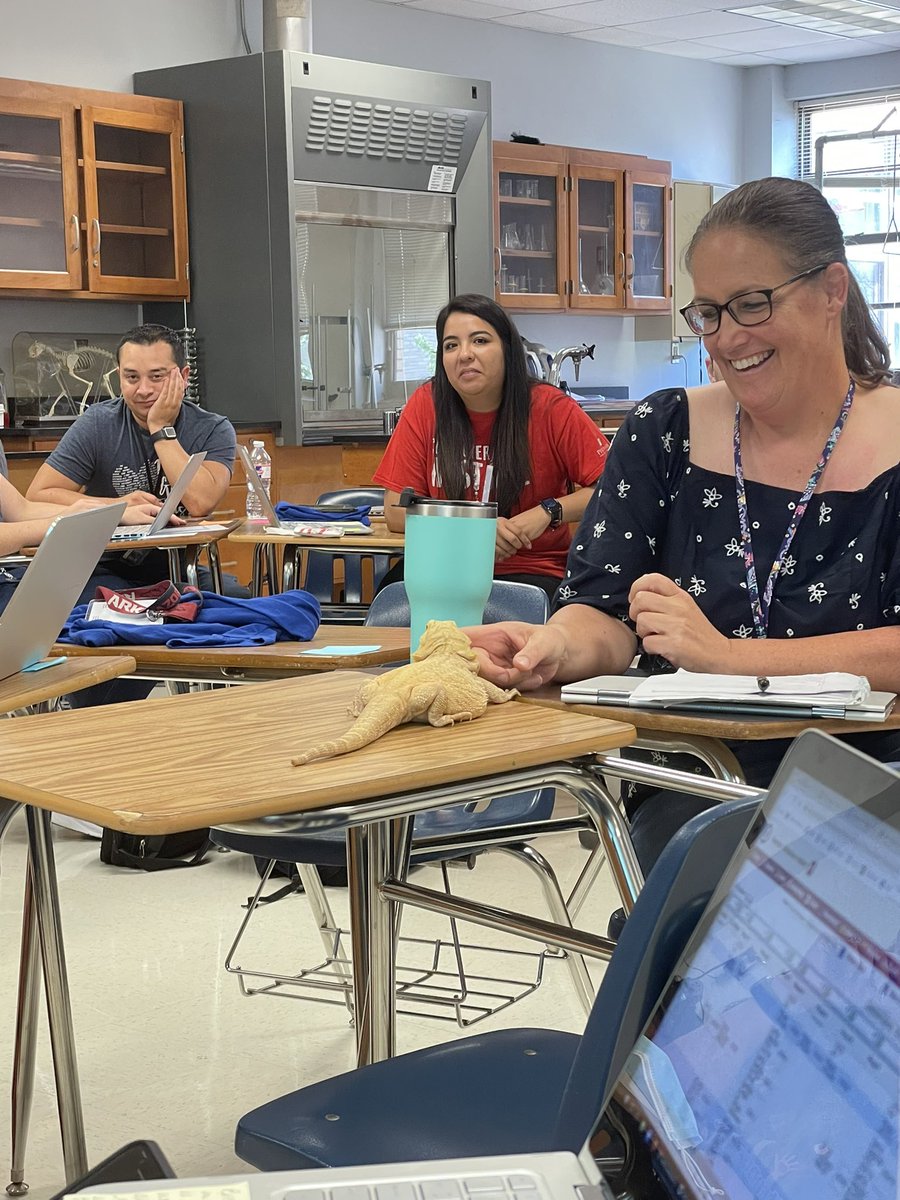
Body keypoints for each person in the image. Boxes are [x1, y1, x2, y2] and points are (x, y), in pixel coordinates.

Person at [468, 176, 900, 882]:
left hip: (872, 782)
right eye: (708, 312)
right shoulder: (664, 434)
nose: (728, 339)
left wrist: (727, 656)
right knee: (698, 902)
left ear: (832, 291)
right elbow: (607, 614)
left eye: (753, 304)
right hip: (700, 782)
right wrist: (554, 644)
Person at [373, 294, 610, 603]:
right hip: (443, 567)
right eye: (451, 345)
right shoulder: (426, 404)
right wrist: (475, 531)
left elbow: (612, 489)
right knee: (389, 613)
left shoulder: (551, 408)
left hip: (532, 572)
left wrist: (547, 512)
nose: (464, 354)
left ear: (508, 350)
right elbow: (394, 511)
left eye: (480, 340)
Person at [26, 322, 239, 598]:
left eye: (157, 376)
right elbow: (37, 496)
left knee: (234, 598)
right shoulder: (97, 423)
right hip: (102, 565)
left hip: (174, 566)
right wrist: (117, 507)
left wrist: (160, 428)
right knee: (128, 605)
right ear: (119, 378)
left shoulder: (213, 428)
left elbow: (200, 501)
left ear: (183, 377)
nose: (143, 390)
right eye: (132, 378)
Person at [0, 477, 160, 614]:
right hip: (9, 582)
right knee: (110, 607)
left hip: (14, 574)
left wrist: (116, 514)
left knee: (117, 590)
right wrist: (61, 522)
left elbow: (22, 510)